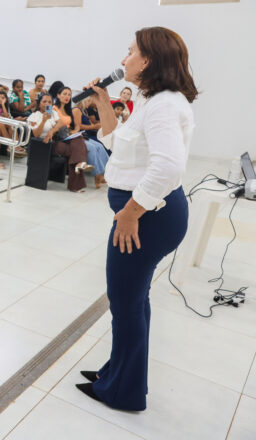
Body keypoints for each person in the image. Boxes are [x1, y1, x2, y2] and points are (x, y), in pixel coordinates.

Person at [75, 27, 197, 412]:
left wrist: (131, 212)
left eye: (130, 52)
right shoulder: (151, 99)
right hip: (151, 213)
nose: (123, 58)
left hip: (148, 216)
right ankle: (119, 372)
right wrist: (103, 101)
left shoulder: (163, 104)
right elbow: (116, 142)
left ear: (148, 60)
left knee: (125, 303)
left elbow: (167, 166)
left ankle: (123, 392)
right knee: (132, 300)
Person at [27, 93, 92, 192]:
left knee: (78, 139)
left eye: (49, 102)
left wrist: (52, 131)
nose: (47, 104)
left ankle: (79, 165)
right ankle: (78, 173)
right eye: (44, 102)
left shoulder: (52, 112)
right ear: (39, 103)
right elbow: (36, 134)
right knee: (77, 150)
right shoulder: (33, 116)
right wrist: (44, 121)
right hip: (45, 144)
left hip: (57, 139)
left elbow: (61, 123)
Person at [59, 87, 110, 189]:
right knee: (92, 148)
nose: (90, 103)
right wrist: (93, 127)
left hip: (80, 135)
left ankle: (105, 172)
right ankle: (97, 174)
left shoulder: (83, 111)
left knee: (99, 146)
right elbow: (78, 127)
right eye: (89, 100)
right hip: (73, 137)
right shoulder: (77, 110)